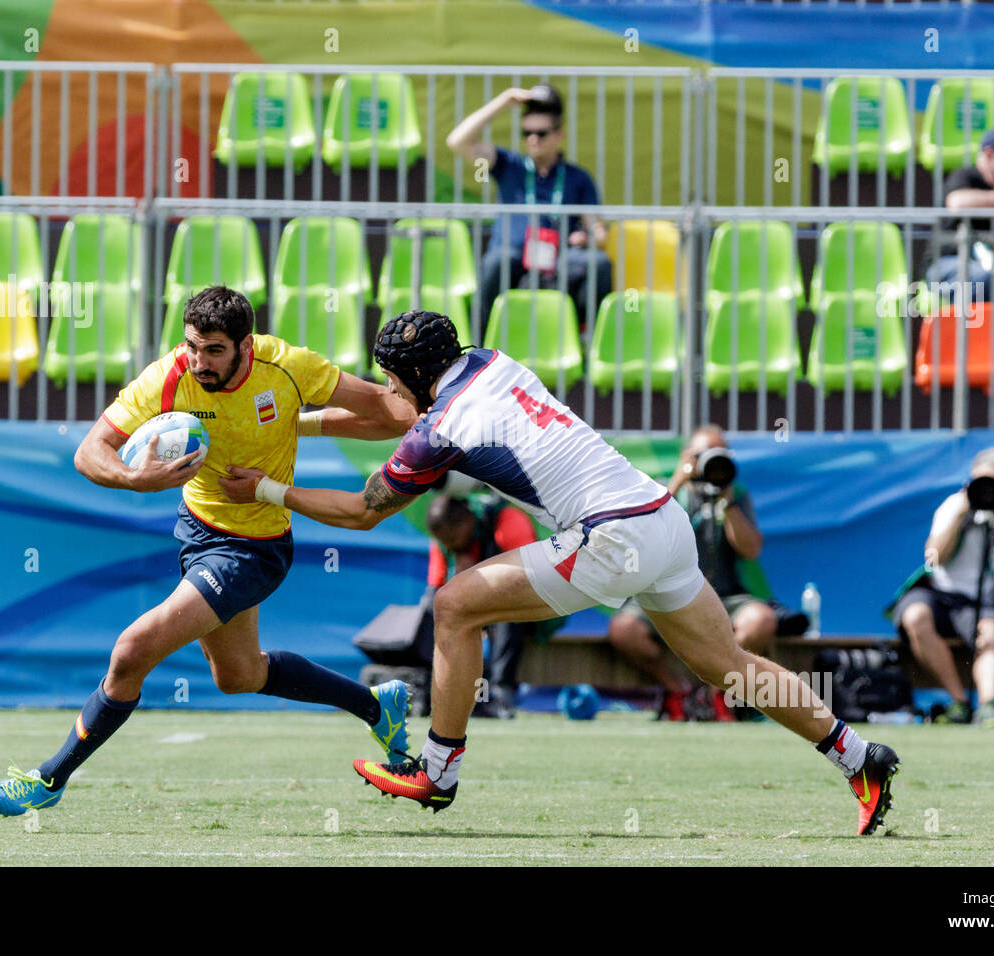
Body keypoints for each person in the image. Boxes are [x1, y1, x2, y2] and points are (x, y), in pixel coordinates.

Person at [226, 310, 902, 836]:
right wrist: (298, 424)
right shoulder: (489, 362)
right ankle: (858, 757)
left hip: (610, 538)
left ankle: (437, 771)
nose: (388, 390)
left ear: (409, 375)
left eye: (390, 377)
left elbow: (359, 511)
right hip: (659, 517)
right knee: (727, 663)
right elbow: (399, 408)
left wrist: (265, 488)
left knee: (456, 607)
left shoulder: (442, 430)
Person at [0, 286, 420, 817]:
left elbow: (393, 414)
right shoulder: (169, 377)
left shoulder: (288, 368)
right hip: (197, 531)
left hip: (253, 550)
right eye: (192, 346)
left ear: (245, 346)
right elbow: (89, 451)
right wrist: (132, 479)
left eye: (214, 350)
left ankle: (49, 778)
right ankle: (376, 706)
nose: (199, 361)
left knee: (132, 650)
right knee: (238, 677)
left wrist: (305, 422)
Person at [608, 424, 786, 722]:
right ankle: (676, 690)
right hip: (663, 592)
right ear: (686, 456)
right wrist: (679, 480)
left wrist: (727, 502)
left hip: (724, 595)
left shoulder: (736, 495)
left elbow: (751, 549)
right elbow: (643, 532)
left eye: (719, 455)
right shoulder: (664, 490)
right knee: (624, 630)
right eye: (703, 455)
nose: (711, 463)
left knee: (761, 620)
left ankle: (715, 692)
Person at [886, 448, 994, 727]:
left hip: (988, 603)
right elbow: (934, 556)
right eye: (982, 480)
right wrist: (961, 512)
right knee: (914, 615)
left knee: (992, 630)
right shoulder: (953, 506)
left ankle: (988, 705)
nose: (988, 487)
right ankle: (959, 703)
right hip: (941, 596)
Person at [446, 84, 611, 324]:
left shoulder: (578, 177)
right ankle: (479, 346)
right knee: (497, 261)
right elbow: (457, 141)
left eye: (541, 133)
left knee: (598, 263)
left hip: (559, 263)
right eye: (526, 133)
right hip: (511, 261)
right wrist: (503, 101)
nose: (533, 139)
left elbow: (599, 234)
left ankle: (586, 339)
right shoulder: (508, 165)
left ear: (559, 135)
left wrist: (587, 237)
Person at [425, 493, 540, 718]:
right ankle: (443, 691)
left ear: (468, 521)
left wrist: (478, 578)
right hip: (477, 614)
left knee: (508, 612)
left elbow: (530, 576)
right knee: (437, 611)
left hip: (528, 606)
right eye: (444, 542)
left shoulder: (506, 520)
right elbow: (434, 592)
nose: (449, 546)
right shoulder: (443, 541)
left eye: (452, 539)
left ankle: (500, 693)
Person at [926, 129, 994, 307]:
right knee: (981, 277)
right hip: (947, 265)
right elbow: (957, 202)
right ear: (989, 154)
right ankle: (972, 335)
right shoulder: (965, 176)